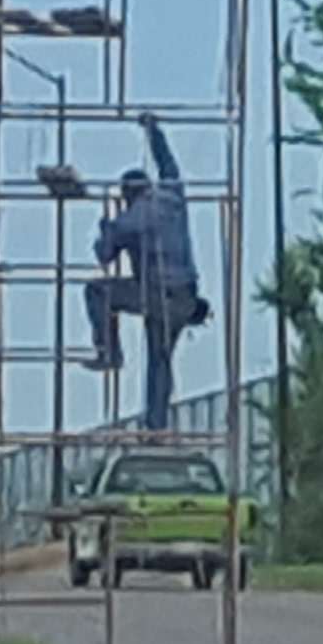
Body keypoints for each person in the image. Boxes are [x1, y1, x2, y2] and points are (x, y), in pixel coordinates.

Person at [82, 113, 205, 433]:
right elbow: (168, 164)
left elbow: (104, 256)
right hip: (185, 298)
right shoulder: (173, 197)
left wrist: (106, 226)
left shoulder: (130, 218)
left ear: (127, 195)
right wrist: (154, 130)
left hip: (155, 295)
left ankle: (109, 351)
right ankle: (156, 427)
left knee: (97, 291)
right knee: (160, 360)